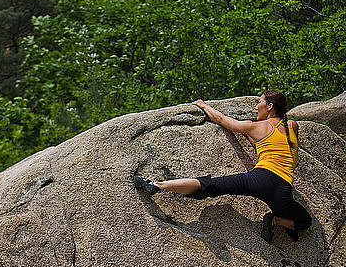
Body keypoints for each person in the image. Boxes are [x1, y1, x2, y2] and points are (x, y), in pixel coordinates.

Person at [133, 90, 312, 243]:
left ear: (270, 106)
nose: (256, 106)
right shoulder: (292, 126)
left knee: (212, 185)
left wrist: (203, 105)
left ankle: (157, 185)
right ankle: (275, 221)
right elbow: (276, 144)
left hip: (260, 178)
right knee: (304, 221)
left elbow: (220, 119)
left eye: (259, 102)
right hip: (283, 189)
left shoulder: (256, 127)